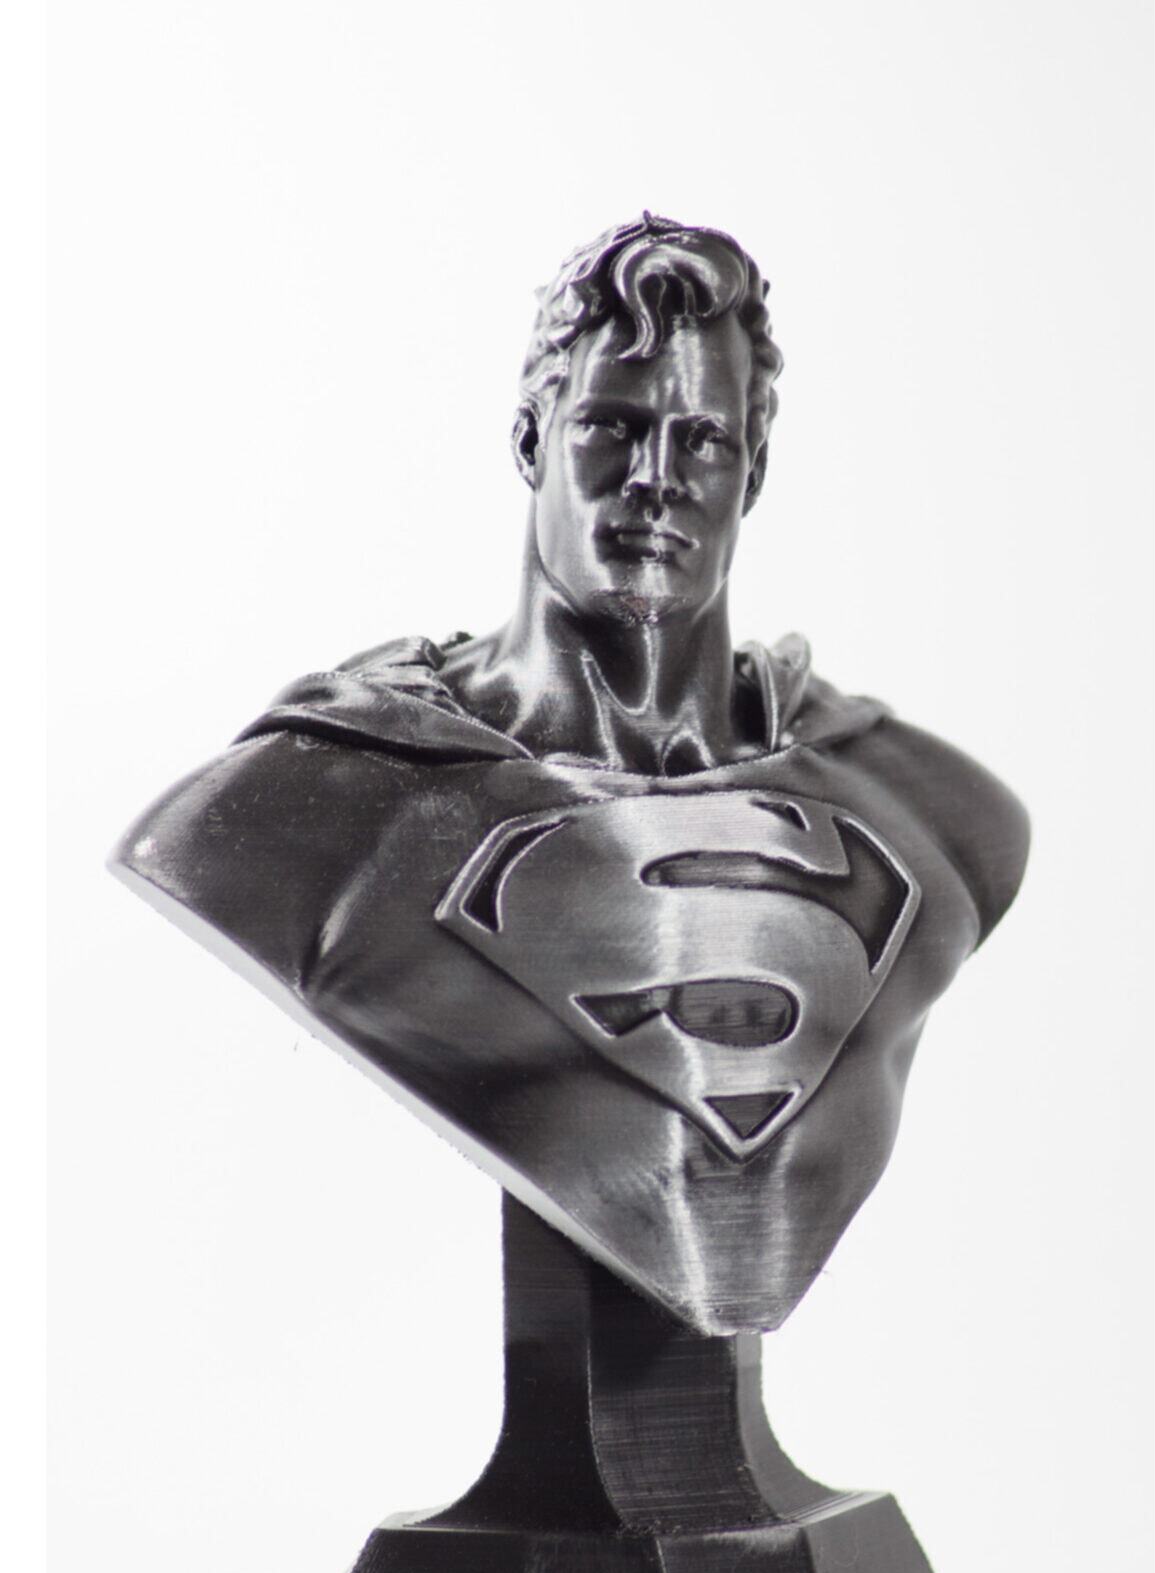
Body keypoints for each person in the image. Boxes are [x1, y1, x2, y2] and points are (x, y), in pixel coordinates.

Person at [112, 214, 1028, 1336]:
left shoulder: (939, 811)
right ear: (531, 439)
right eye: (611, 425)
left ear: (753, 472)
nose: (655, 480)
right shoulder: (297, 813)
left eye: (702, 439)